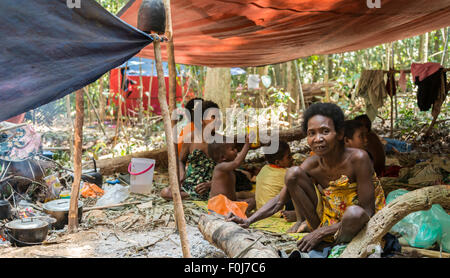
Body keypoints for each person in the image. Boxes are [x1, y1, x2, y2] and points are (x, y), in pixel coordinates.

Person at [226, 103, 386, 253]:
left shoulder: (358, 158)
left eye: (325, 131)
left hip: (361, 224)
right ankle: (326, 241)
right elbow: (279, 201)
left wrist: (320, 233)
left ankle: (334, 246)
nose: (318, 138)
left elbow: (367, 211)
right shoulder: (312, 164)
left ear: (340, 133)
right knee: (292, 173)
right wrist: (248, 221)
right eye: (312, 133)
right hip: (329, 223)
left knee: (353, 213)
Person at [160, 98, 220, 201]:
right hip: (192, 183)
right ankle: (191, 195)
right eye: (213, 117)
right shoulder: (190, 138)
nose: (218, 121)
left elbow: (229, 170)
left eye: (219, 117)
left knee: (220, 193)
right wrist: (182, 174)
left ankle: (196, 195)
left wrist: (210, 184)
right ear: (202, 120)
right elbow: (181, 160)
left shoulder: (221, 141)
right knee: (165, 192)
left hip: (214, 185)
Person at [208, 134, 256, 217]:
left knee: (253, 201)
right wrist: (247, 145)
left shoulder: (227, 167)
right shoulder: (220, 167)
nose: (236, 150)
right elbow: (237, 162)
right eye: (232, 149)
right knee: (248, 203)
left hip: (229, 203)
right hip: (219, 207)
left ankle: (240, 213)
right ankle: (238, 214)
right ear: (223, 157)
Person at [255, 141, 297, 224]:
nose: (292, 158)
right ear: (278, 162)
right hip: (279, 211)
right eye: (289, 157)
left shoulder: (264, 169)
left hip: (262, 209)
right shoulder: (285, 173)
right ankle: (298, 214)